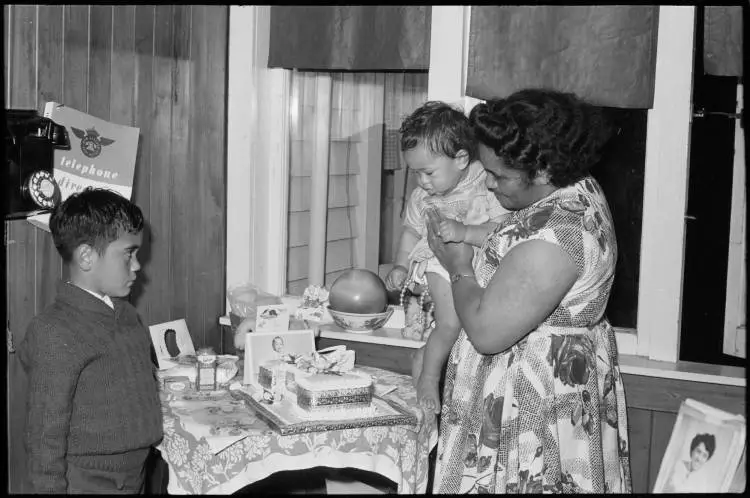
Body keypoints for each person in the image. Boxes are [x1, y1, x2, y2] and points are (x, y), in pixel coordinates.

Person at [425, 89, 631, 493]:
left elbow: (486, 332)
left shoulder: (557, 238)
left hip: (532, 414)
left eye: (499, 175)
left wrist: (458, 267)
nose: (487, 183)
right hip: (542, 396)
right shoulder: (571, 193)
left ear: (542, 170)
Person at [18, 188, 163, 494]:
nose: (137, 265)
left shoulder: (126, 315)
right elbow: (45, 437)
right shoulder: (54, 331)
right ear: (86, 257)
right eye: (128, 253)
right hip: (88, 482)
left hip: (134, 473)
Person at [384, 101, 509, 414]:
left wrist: (465, 230)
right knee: (450, 324)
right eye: (416, 174)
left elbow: (501, 229)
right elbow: (411, 233)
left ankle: (424, 354)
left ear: (462, 159)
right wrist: (400, 263)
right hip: (438, 262)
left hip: (479, 266)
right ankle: (428, 377)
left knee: (470, 327)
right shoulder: (422, 198)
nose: (422, 182)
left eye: (428, 172)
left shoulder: (486, 182)